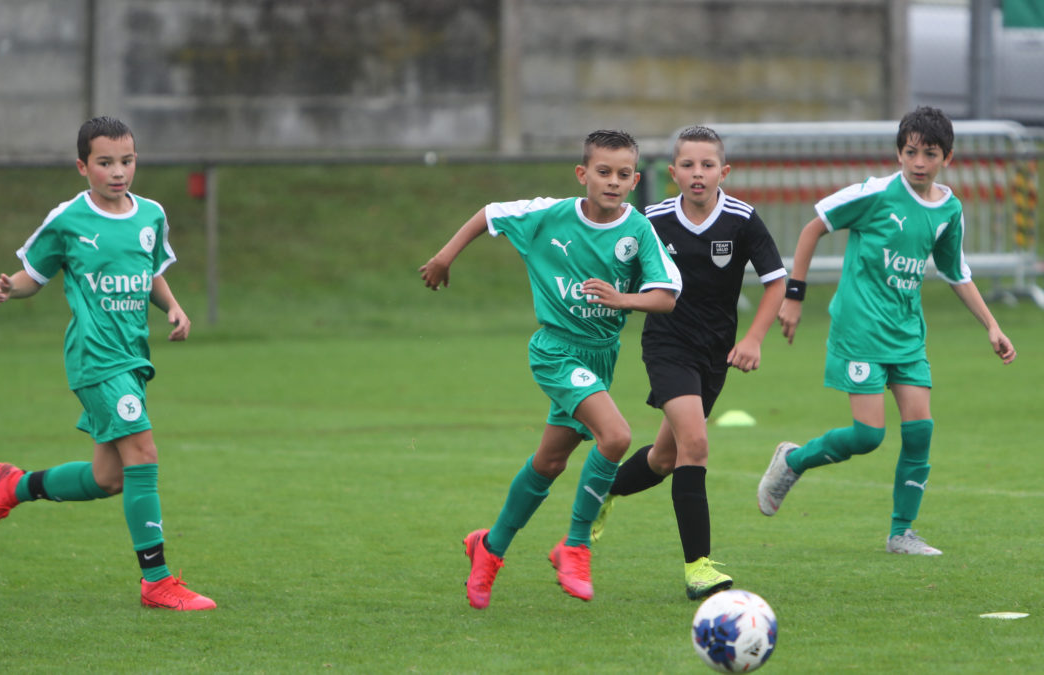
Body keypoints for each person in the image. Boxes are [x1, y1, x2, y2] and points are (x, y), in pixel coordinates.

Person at [420, 129, 682, 609]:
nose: (613, 182)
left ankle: (489, 548)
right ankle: (575, 545)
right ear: (583, 174)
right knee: (618, 437)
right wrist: (443, 257)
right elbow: (489, 214)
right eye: (603, 172)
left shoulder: (639, 230)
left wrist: (621, 298)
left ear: (635, 179)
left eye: (623, 174)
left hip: (601, 356)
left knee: (550, 463)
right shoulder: (547, 215)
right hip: (556, 351)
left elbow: (666, 296)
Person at [0, 116, 215, 610]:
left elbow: (147, 271)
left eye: (126, 161)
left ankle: (15, 485)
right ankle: (157, 582)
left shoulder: (150, 214)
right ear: (83, 165)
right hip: (95, 357)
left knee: (110, 478)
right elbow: (32, 275)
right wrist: (6, 289)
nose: (117, 172)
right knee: (143, 455)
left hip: (132, 357)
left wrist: (171, 305)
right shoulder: (68, 219)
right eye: (105, 162)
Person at [757, 106, 1017, 555]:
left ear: (947, 159)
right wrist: (793, 297)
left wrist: (992, 325)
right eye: (911, 152)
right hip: (859, 329)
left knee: (920, 431)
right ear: (898, 153)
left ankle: (901, 533)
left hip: (906, 333)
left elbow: (956, 271)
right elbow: (811, 228)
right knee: (869, 436)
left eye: (929, 154)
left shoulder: (949, 209)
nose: (919, 162)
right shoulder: (875, 194)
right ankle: (792, 460)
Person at [588, 125, 787, 600]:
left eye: (708, 165)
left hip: (715, 353)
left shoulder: (742, 220)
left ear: (725, 171)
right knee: (694, 446)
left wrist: (754, 338)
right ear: (673, 171)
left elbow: (775, 281)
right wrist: (620, 298)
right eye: (688, 165)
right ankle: (698, 567)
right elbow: (619, 266)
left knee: (664, 458)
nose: (698, 174)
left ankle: (599, 492)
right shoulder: (651, 219)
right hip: (668, 345)